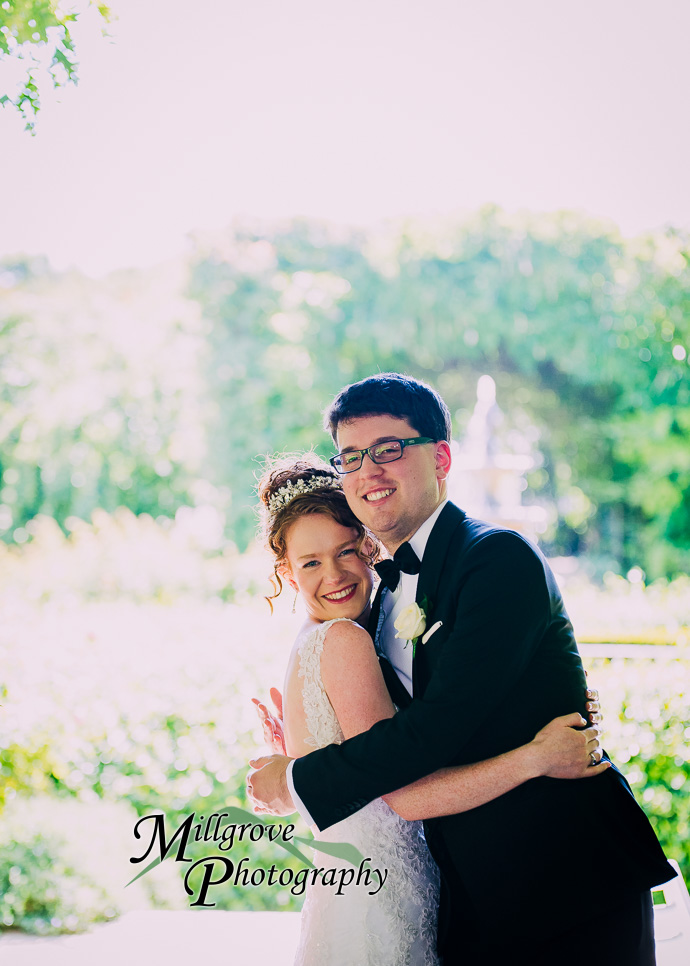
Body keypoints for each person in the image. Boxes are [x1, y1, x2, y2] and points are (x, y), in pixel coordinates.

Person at [249, 373, 676, 966]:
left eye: (389, 450)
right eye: (351, 457)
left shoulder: (496, 558)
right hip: (461, 897)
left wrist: (298, 779)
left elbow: (435, 730)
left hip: (565, 883)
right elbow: (383, 723)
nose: (369, 471)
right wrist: (310, 740)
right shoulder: (372, 599)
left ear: (442, 457)